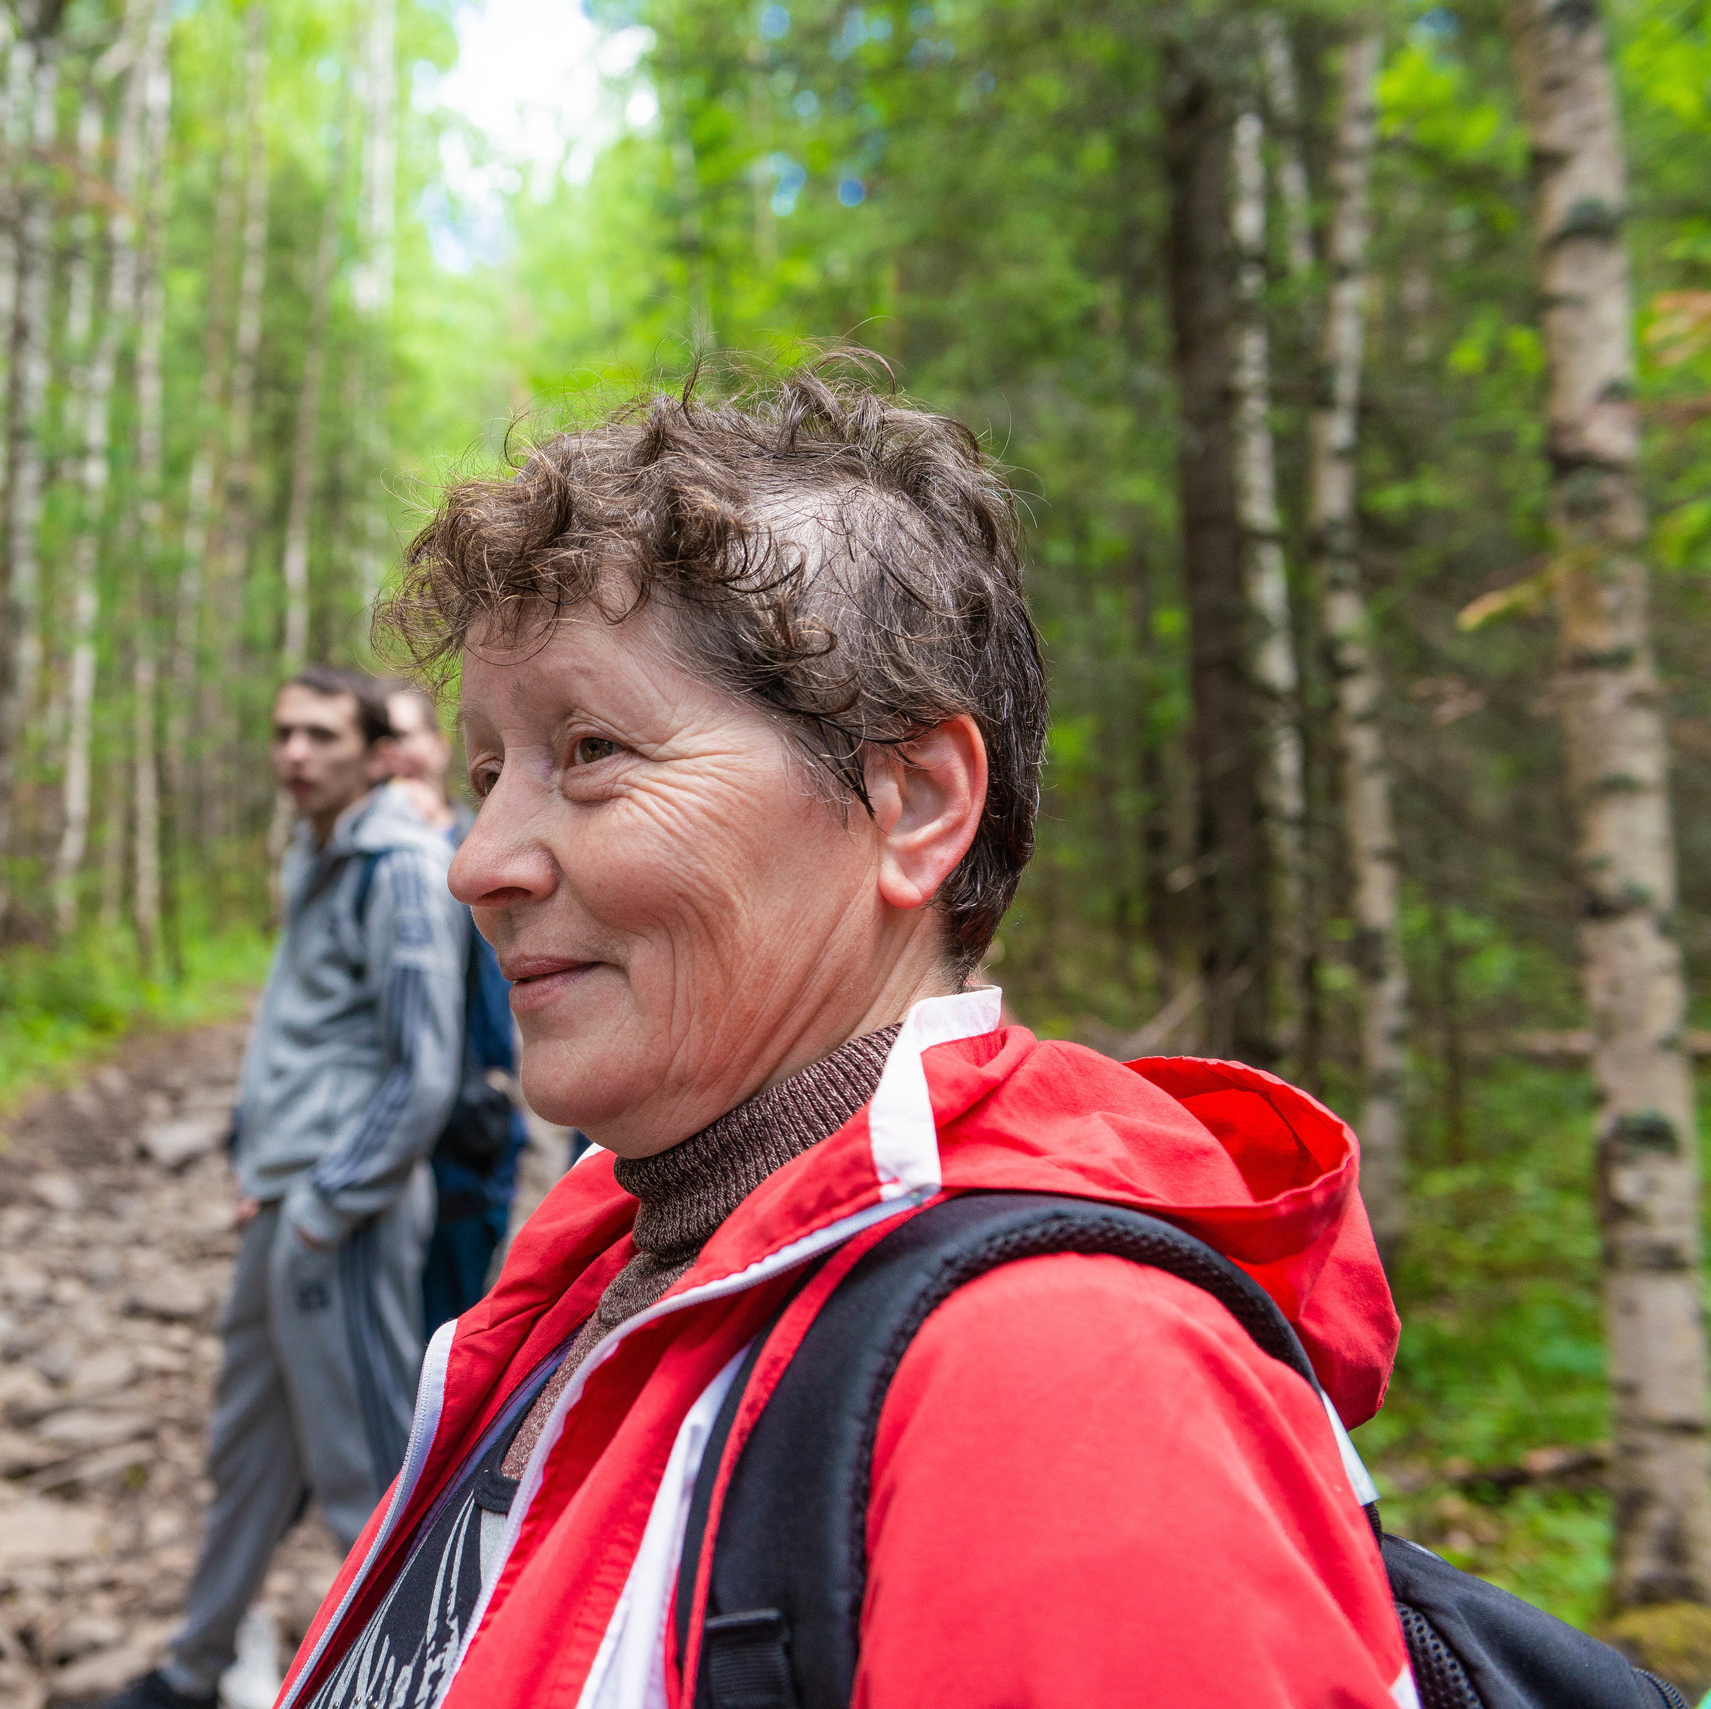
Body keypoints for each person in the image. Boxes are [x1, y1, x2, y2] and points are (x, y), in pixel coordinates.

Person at [272, 358, 1413, 1708]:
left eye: (590, 751)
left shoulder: (1063, 1388)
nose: (481, 863)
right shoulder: (634, 1252)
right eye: (484, 772)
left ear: (916, 801)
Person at [91, 667, 470, 1709]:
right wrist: (256, 1158)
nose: (293, 752)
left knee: (365, 1463)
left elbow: (421, 1067)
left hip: (338, 1216)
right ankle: (194, 1666)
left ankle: (425, 1681)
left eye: (319, 733)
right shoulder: (319, 853)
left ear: (373, 750)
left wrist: (323, 1202)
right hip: (287, 1199)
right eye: (280, 732)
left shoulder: (396, 867)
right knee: (246, 1445)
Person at [382, 682, 527, 1331]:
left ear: (440, 748)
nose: (395, 754)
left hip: (473, 1127)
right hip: (400, 1133)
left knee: (460, 1315)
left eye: (406, 734)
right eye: (380, 739)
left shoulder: (478, 841)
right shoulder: (363, 854)